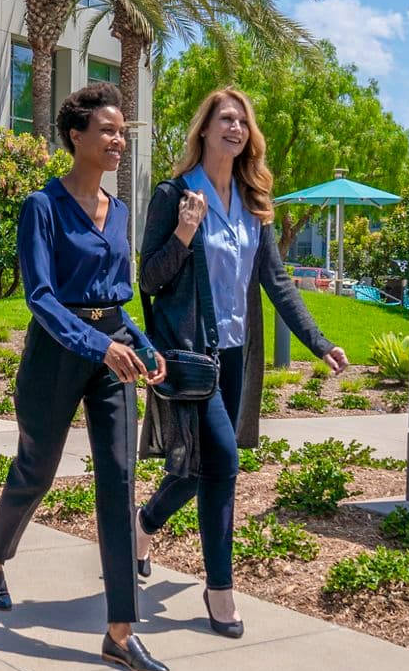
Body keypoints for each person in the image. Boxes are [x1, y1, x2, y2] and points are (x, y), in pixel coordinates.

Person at [0, 83, 171, 671]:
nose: (118, 141)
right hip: (57, 356)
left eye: (122, 133)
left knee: (118, 478)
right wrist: (101, 345)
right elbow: (41, 298)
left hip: (113, 358)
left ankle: (120, 632)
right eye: (108, 131)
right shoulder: (43, 207)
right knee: (36, 469)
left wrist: (141, 343)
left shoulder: (122, 211)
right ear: (76, 137)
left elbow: (117, 299)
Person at [137, 87, 348, 638]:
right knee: (224, 463)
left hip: (236, 357)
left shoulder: (255, 205)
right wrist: (185, 231)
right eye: (224, 118)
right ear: (204, 130)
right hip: (191, 355)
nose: (234, 127)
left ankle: (144, 523)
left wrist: (318, 342)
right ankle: (220, 588)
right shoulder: (176, 193)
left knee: (199, 467)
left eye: (242, 121)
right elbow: (150, 279)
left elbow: (276, 283)